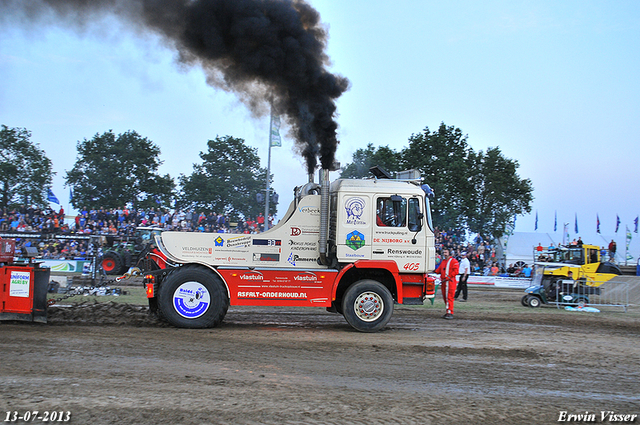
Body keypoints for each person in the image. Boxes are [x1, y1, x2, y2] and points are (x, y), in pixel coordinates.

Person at [435, 248, 459, 320]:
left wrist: (448, 277)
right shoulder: (443, 261)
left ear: (449, 253)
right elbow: (439, 270)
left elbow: (456, 271)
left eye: (446, 252)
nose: (444, 253)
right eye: (444, 252)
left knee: (449, 297)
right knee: (446, 297)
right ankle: (448, 311)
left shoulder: (453, 261)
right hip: (444, 282)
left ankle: (450, 312)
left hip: (449, 282)